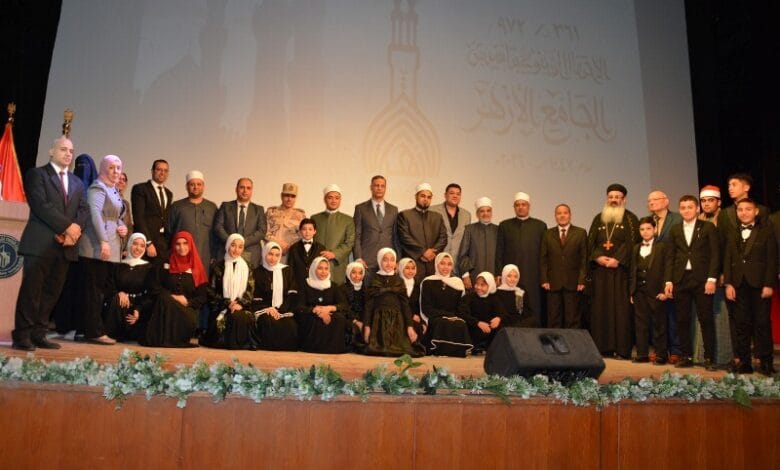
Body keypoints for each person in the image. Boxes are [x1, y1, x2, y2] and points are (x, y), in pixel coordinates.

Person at [12, 136, 88, 351]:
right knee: (31, 292)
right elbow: (40, 205)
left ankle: (38, 334)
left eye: (71, 151)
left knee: (51, 294)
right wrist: (68, 227)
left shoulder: (77, 182)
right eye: (63, 149)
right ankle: (22, 335)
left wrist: (74, 231)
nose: (68, 154)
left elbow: (84, 209)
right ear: (51, 152)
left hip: (66, 247)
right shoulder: (37, 174)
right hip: (40, 244)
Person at [664, 195, 720, 370]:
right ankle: (686, 356)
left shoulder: (708, 227)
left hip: (702, 279)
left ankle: (709, 358)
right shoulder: (675, 229)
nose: (686, 210)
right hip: (681, 279)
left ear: (697, 209)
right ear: (679, 210)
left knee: (706, 319)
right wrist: (668, 281)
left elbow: (715, 254)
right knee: (682, 320)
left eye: (690, 207)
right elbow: (670, 257)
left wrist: (712, 279)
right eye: (683, 207)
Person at [77, 154, 128, 345]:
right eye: (112, 167)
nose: (116, 171)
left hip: (110, 246)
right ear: (103, 168)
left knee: (100, 290)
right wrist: (103, 240)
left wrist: (122, 226)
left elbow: (115, 216)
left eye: (119, 168)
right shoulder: (98, 187)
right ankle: (93, 332)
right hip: (95, 247)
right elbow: (95, 214)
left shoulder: (112, 189)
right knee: (94, 291)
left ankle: (86, 329)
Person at [723, 198, 777, 375]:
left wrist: (768, 284)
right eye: (740, 210)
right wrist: (728, 283)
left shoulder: (766, 231)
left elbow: (772, 259)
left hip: (760, 284)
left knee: (762, 323)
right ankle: (745, 362)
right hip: (738, 284)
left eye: (748, 209)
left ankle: (766, 361)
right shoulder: (732, 232)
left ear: (756, 211)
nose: (744, 212)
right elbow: (728, 259)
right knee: (741, 324)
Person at [586, 183, 639, 358]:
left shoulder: (631, 219)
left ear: (624, 199)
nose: (614, 200)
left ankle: (622, 349)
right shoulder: (598, 218)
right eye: (611, 197)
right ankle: (603, 348)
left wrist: (618, 260)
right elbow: (590, 242)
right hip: (600, 273)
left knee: (621, 311)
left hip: (621, 273)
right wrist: (598, 257)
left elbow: (633, 244)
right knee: (601, 310)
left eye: (617, 197)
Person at [141, 231, 206, 347]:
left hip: (186, 310)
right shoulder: (164, 262)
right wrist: (172, 297)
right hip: (164, 308)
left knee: (187, 317)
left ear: (190, 245)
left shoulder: (197, 267)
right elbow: (153, 286)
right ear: (173, 245)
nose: (182, 247)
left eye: (185, 243)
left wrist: (188, 302)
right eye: (178, 244)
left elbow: (202, 297)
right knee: (164, 299)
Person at [495, 191, 547, 326]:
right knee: (511, 307)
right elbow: (499, 251)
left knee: (533, 305)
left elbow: (544, 254)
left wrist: (544, 276)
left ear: (529, 206)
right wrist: (498, 273)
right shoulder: (505, 225)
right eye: (517, 205)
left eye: (523, 204)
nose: (520, 207)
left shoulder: (540, 226)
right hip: (510, 277)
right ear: (514, 207)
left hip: (533, 276)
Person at [363, 248, 424, 357]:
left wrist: (409, 326)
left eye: (392, 260)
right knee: (376, 349)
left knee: (401, 349)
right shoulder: (374, 279)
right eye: (385, 260)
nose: (389, 263)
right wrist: (367, 327)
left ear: (395, 263)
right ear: (379, 261)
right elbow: (369, 305)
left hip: (397, 321)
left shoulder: (399, 280)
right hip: (378, 321)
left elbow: (405, 305)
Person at [629, 217, 672, 364]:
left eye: (648, 228)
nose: (645, 232)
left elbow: (667, 268)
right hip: (639, 291)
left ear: (655, 229)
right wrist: (632, 291)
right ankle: (642, 354)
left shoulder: (662, 246)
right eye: (642, 229)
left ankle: (661, 355)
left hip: (657, 291)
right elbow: (633, 271)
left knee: (659, 324)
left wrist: (664, 290)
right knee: (641, 324)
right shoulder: (636, 248)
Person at [203, 234, 257, 350]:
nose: (236, 250)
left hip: (242, 306)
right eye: (233, 245)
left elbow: (250, 290)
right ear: (227, 246)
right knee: (227, 318)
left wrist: (239, 303)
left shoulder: (248, 267)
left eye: (240, 247)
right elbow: (211, 292)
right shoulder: (218, 267)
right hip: (221, 306)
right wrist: (228, 303)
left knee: (239, 317)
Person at [540, 203, 587, 329]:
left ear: (570, 215)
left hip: (573, 282)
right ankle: (554, 341)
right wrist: (544, 279)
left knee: (572, 318)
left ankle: (572, 341)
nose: (562, 215)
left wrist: (582, 280)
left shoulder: (580, 233)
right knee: (553, 317)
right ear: (555, 216)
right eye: (559, 213)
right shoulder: (547, 233)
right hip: (553, 283)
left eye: (565, 213)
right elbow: (543, 258)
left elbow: (584, 259)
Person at [102, 233, 156, 342]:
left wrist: (138, 309)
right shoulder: (118, 264)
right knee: (116, 300)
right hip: (119, 305)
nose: (138, 248)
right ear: (129, 244)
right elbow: (109, 285)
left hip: (139, 307)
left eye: (142, 246)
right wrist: (118, 293)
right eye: (135, 244)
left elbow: (151, 293)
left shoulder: (149, 268)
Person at [420, 252, 473, 357]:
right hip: (435, 316)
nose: (445, 267)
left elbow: (461, 307)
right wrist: (447, 315)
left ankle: (457, 352)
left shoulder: (457, 282)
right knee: (440, 322)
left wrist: (455, 316)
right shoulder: (428, 282)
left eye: (449, 264)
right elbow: (426, 308)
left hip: (454, 316)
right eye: (442, 263)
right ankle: (438, 351)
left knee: (460, 323)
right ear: (436, 264)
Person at [294, 256, 348, 353]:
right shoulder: (304, 284)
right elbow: (298, 306)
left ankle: (333, 348)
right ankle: (313, 348)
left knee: (339, 318)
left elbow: (344, 304)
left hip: (329, 312)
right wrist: (315, 310)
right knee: (312, 319)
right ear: (313, 269)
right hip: (311, 313)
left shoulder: (333, 286)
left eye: (326, 268)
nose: (323, 272)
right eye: (320, 268)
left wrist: (329, 308)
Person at [167, 170, 218, 274]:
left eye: (199, 184)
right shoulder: (177, 206)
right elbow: (169, 232)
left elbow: (216, 234)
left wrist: (214, 255)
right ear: (187, 187)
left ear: (203, 186)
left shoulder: (212, 207)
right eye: (192, 184)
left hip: (205, 256)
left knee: (203, 282)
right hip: (182, 256)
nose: (195, 187)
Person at [253, 241, 299, 351]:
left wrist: (281, 310)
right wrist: (268, 309)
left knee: (290, 324)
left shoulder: (287, 271)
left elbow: (292, 294)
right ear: (265, 254)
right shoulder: (258, 272)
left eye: (277, 255)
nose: (273, 258)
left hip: (284, 309)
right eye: (270, 254)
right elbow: (256, 295)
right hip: (265, 309)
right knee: (269, 322)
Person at [353, 175, 400, 282]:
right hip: (367, 261)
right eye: (376, 185)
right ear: (371, 187)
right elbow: (357, 235)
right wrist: (358, 258)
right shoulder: (360, 208)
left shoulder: (393, 210)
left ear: (385, 188)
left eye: (382, 186)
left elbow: (396, 237)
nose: (379, 188)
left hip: (388, 262)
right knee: (368, 290)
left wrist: (398, 259)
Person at [397, 183, 448, 282]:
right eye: (423, 196)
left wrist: (433, 252)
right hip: (412, 264)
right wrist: (423, 252)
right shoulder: (405, 215)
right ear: (416, 197)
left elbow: (443, 238)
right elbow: (404, 237)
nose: (425, 199)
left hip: (433, 264)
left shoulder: (437, 217)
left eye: (429, 197)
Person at [213, 177, 266, 268]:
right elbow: (218, 227)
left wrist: (242, 243)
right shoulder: (225, 206)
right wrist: (232, 243)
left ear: (251, 191)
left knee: (248, 277)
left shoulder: (259, 209)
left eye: (248, 188)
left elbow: (262, 231)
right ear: (236, 189)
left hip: (251, 253)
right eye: (242, 187)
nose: (245, 191)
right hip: (227, 252)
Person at [311, 184, 355, 284]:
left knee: (336, 289)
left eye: (337, 198)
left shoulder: (348, 220)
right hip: (318, 263)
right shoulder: (315, 218)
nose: (333, 200)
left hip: (337, 264)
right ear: (325, 199)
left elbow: (349, 243)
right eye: (330, 197)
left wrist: (334, 254)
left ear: (340, 200)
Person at [131, 159, 172, 261]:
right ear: (152, 171)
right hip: (146, 243)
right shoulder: (140, 189)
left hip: (163, 244)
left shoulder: (169, 193)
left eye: (165, 170)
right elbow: (138, 217)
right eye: (159, 169)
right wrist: (148, 242)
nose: (162, 173)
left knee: (160, 270)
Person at [459, 272, 507, 353]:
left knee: (501, 328)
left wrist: (498, 318)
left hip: (489, 329)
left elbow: (503, 312)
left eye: (482, 285)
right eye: (477, 284)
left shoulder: (495, 298)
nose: (478, 287)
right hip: (473, 328)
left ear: (490, 286)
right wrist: (478, 323)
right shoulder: (469, 297)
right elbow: (462, 313)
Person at [458, 197, 498, 290]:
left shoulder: (498, 230)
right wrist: (465, 275)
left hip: (493, 277)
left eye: (488, 211)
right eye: (482, 211)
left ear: (491, 212)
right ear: (477, 214)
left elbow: (501, 256)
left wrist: (499, 275)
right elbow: (463, 255)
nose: (485, 214)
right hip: (474, 276)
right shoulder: (469, 229)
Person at [430, 183, 472, 272]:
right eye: (452, 193)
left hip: (457, 265)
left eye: (458, 194)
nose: (455, 196)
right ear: (445, 195)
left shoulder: (466, 215)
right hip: (436, 263)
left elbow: (466, 243)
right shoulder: (432, 210)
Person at [265, 182, 306, 261]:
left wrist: (289, 246)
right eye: (287, 195)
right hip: (272, 253)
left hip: (292, 254)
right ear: (281, 196)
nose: (289, 199)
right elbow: (264, 231)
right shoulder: (271, 212)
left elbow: (303, 235)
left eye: (292, 196)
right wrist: (279, 243)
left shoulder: (301, 215)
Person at [287, 218, 327, 290]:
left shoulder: (321, 248)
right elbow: (290, 269)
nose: (307, 232)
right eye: (304, 229)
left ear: (315, 231)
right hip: (298, 285)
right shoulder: (294, 248)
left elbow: (323, 267)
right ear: (300, 231)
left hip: (316, 284)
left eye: (310, 229)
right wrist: (292, 286)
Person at [341, 261, 367, 351]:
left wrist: (365, 321)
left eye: (360, 273)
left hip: (362, 317)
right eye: (354, 273)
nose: (357, 276)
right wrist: (355, 321)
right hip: (348, 317)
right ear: (348, 273)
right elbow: (345, 307)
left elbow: (367, 307)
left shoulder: (366, 289)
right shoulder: (342, 288)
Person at [397, 257, 426, 337]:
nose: (410, 271)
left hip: (416, 318)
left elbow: (420, 306)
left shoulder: (418, 285)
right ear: (401, 268)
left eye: (413, 268)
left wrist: (422, 321)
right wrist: (411, 315)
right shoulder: (396, 284)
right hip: (400, 316)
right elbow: (397, 305)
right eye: (407, 268)